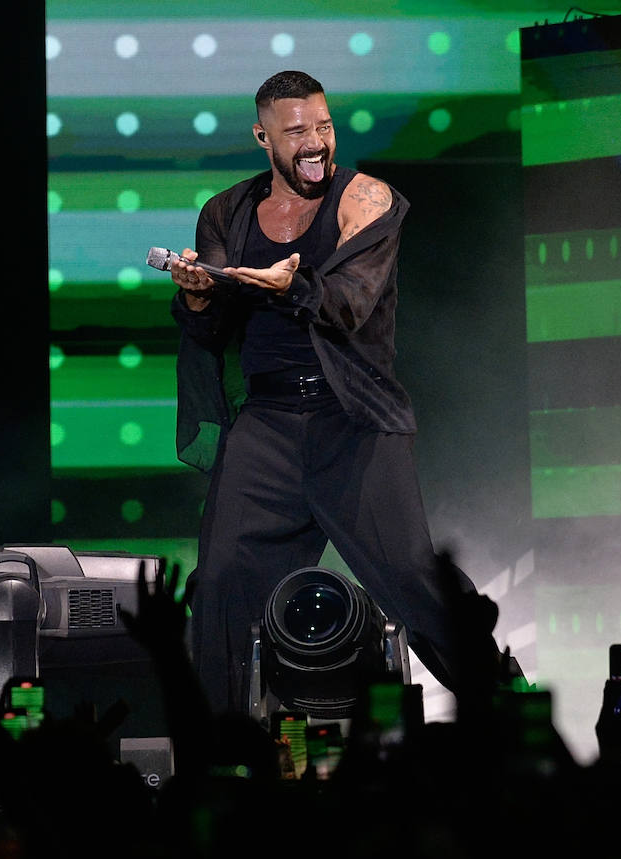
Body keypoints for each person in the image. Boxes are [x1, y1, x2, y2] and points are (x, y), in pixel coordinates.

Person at [168, 70, 510, 714]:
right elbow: (209, 329)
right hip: (266, 424)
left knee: (412, 581)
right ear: (262, 137)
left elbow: (351, 304)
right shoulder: (225, 212)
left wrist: (287, 286)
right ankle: (219, 758)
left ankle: (511, 715)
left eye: (323, 126)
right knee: (217, 588)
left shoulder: (367, 199)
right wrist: (195, 292)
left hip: (351, 419)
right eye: (296, 131)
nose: (315, 142)